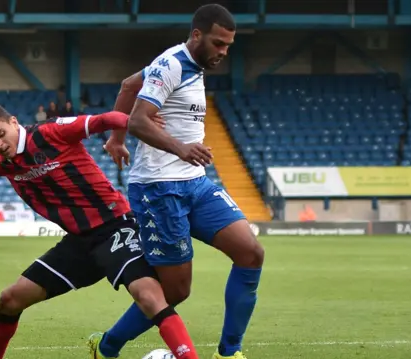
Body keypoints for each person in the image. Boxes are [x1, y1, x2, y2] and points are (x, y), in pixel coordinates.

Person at [0, 106, 200, 359]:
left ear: (14, 122)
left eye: (1, 135)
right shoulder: (2, 163)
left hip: (114, 225)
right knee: (9, 300)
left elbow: (103, 120)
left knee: (148, 296)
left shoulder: (51, 133)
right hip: (79, 243)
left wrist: (134, 123)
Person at [90, 4, 265, 359]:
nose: (223, 52)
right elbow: (139, 119)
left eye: (228, 46)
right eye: (218, 44)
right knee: (175, 291)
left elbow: (128, 85)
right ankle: (106, 346)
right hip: (158, 188)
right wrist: (177, 148)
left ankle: (228, 354)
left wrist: (116, 139)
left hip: (195, 183)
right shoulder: (172, 65)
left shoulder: (188, 65)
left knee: (250, 253)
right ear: (197, 35)